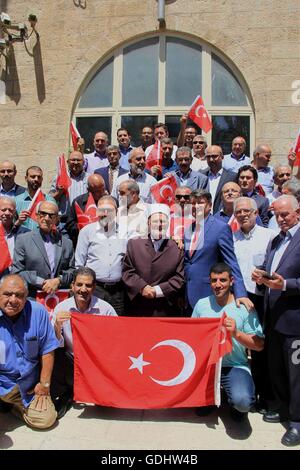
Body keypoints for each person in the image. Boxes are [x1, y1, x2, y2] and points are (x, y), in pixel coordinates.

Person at [252, 195, 300, 446]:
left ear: (298, 213)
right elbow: (274, 275)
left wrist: (287, 285)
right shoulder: (276, 240)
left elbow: (287, 281)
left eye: (285, 215)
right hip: (274, 318)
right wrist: (263, 278)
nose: (280, 219)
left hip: (295, 321)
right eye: (276, 215)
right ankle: (283, 409)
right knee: (278, 370)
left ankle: (296, 422)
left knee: (296, 375)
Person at [192, 263, 264, 421]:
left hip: (234, 365)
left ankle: (234, 404)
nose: (218, 285)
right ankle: (209, 398)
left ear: (232, 281)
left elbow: (259, 345)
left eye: (223, 280)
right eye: (214, 280)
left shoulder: (244, 307)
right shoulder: (201, 305)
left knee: (242, 402)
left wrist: (236, 333)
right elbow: (192, 339)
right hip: (207, 366)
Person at [51, 267, 117, 417]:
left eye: (88, 285)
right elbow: (55, 344)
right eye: (79, 285)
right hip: (71, 359)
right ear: (72, 286)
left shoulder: (105, 309)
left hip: (98, 361)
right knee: (54, 355)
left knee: (105, 407)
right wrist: (57, 326)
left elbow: (116, 339)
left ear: (94, 287)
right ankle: (65, 393)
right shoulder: (61, 308)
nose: (83, 289)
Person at [233, 197, 276, 410]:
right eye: (238, 212)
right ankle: (245, 390)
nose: (242, 214)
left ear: (256, 213)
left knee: (262, 347)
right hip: (240, 298)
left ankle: (267, 397)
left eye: (246, 211)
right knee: (242, 344)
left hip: (263, 298)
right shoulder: (232, 237)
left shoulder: (270, 236)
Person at [0, 274, 59, 429]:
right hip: (2, 382)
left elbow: (48, 350)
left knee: (45, 420)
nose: (13, 300)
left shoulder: (38, 312)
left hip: (29, 386)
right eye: (7, 294)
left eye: (19, 295)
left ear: (26, 297)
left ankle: (14, 406)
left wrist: (44, 384)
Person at [184, 189, 251, 312]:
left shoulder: (221, 228)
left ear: (209, 206)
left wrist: (240, 293)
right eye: (192, 203)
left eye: (200, 203)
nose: (195, 206)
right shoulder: (188, 229)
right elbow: (188, 261)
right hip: (187, 293)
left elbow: (231, 262)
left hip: (209, 293)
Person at [122, 204, 185, 316]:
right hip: (138, 306)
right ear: (148, 222)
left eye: (163, 221)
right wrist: (142, 287)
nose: (159, 225)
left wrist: (158, 291)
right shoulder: (134, 244)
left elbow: (179, 277)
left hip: (164, 308)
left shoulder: (177, 248)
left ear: (168, 224)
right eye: (155, 221)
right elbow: (127, 271)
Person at [75, 196, 127, 315]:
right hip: (94, 290)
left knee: (116, 326)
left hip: (117, 292)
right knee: (94, 325)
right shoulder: (87, 232)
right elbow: (79, 264)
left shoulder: (125, 232)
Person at [12, 201, 75, 298]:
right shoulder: (23, 240)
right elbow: (17, 272)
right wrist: (43, 282)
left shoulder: (67, 243)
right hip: (32, 297)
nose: (46, 218)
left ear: (57, 219)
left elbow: (72, 271)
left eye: (51, 215)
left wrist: (58, 280)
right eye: (43, 214)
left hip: (59, 297)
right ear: (37, 216)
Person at [64, 173, 107, 246]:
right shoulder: (78, 202)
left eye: (103, 189)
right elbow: (69, 224)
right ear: (89, 190)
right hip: (84, 243)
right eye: (98, 191)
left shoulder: (111, 202)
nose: (101, 193)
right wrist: (82, 228)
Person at [49, 151, 89, 226]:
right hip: (63, 222)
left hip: (83, 220)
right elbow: (50, 200)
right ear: (67, 162)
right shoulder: (59, 177)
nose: (76, 162)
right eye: (73, 160)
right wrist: (59, 192)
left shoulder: (89, 178)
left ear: (83, 162)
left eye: (78, 160)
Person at [15, 166, 54, 231]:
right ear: (26, 178)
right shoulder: (16, 201)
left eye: (39, 177)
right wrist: (19, 221)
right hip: (23, 239)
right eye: (33, 177)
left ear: (42, 179)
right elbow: (11, 228)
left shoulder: (49, 200)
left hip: (44, 239)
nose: (36, 179)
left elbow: (55, 223)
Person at [201, 145, 237, 214]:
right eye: (208, 157)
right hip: (202, 217)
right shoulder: (201, 175)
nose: (211, 159)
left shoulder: (232, 177)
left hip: (223, 217)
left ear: (222, 157)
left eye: (214, 156)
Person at [0, 196, 29, 276]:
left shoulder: (25, 233)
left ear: (14, 212)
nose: (7, 213)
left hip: (18, 277)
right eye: (3, 210)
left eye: (10, 210)